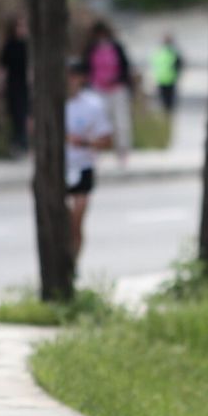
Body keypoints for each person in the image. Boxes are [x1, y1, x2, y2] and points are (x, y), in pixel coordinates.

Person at [64, 58, 113, 267]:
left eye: (72, 76)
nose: (68, 81)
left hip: (83, 167)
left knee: (76, 222)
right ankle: (60, 261)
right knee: (60, 221)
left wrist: (83, 142)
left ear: (80, 78)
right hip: (58, 169)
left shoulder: (93, 105)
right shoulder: (50, 102)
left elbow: (107, 140)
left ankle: (72, 266)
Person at [85, 20, 132, 167]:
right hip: (98, 89)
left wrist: (117, 80)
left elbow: (125, 68)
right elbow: (87, 69)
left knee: (120, 122)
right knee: (97, 122)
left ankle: (122, 152)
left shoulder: (117, 47)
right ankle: (95, 151)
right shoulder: (91, 49)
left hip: (116, 89)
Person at [0, 16, 30, 157]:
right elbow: (2, 67)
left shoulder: (27, 46)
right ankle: (16, 144)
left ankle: (23, 144)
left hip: (25, 86)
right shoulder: (9, 45)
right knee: (15, 115)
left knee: (24, 115)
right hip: (13, 85)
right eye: (19, 26)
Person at [149, 33, 184, 114]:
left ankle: (166, 117)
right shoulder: (172, 52)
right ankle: (167, 118)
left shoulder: (159, 52)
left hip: (165, 79)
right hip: (167, 79)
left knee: (165, 103)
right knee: (168, 103)